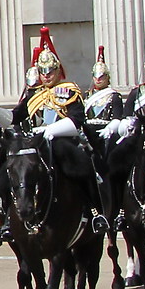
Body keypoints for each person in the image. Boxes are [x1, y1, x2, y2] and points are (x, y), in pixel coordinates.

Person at [19, 27, 108, 238]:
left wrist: (50, 130)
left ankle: (96, 213)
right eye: (43, 71)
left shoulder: (69, 89)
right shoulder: (33, 95)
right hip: (36, 144)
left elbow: (77, 118)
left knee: (83, 166)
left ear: (58, 70)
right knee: (10, 168)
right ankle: (2, 217)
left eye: (50, 71)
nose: (47, 75)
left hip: (62, 141)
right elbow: (16, 116)